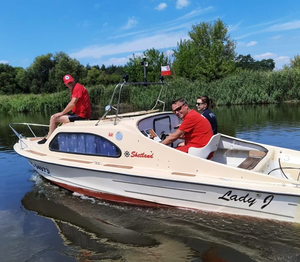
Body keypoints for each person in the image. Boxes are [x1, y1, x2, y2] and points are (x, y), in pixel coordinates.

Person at [38, 74, 91, 144]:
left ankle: (48, 139)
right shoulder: (76, 88)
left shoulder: (77, 87)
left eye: (71, 82)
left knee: (53, 118)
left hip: (81, 116)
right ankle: (51, 134)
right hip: (79, 114)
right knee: (62, 122)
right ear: (65, 84)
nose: (70, 84)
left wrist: (62, 113)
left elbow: (72, 103)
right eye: (68, 83)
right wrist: (65, 113)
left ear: (73, 80)